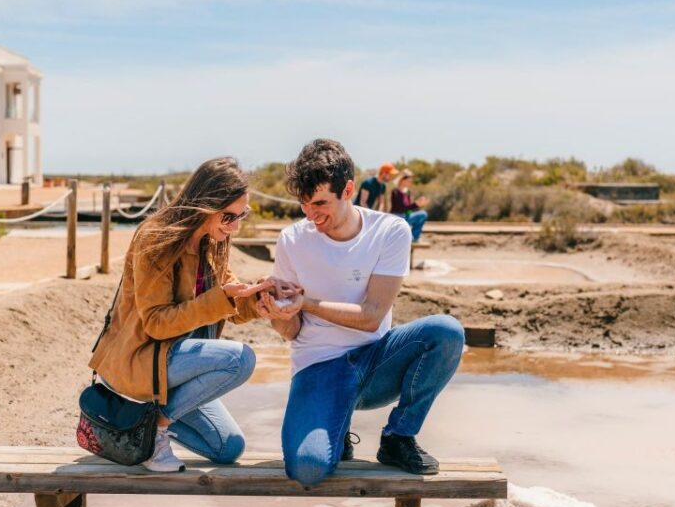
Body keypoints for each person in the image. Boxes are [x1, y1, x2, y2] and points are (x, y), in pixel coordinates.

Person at [258, 139, 464, 487]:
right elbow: (292, 332)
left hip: (376, 362)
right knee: (307, 470)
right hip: (317, 365)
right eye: (304, 204)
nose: (311, 214)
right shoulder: (291, 240)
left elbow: (371, 315)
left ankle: (398, 437)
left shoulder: (390, 231)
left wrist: (306, 303)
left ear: (348, 190)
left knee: (446, 332)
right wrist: (275, 312)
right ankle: (338, 431)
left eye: (320, 202)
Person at [89, 157, 300, 472]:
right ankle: (157, 430)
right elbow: (158, 324)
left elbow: (229, 300)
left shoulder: (212, 242)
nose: (235, 226)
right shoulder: (157, 237)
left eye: (242, 215)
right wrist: (221, 298)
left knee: (228, 448)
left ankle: (141, 424)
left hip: (179, 365)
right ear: (205, 205)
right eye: (229, 217)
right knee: (240, 359)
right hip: (145, 358)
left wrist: (261, 294)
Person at [390, 169, 429, 242]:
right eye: (409, 181)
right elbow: (400, 208)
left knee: (423, 214)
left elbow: (408, 209)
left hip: (405, 216)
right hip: (397, 217)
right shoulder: (395, 192)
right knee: (422, 214)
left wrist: (418, 205)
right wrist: (416, 204)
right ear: (402, 180)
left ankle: (414, 237)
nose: (410, 183)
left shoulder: (407, 192)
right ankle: (412, 237)